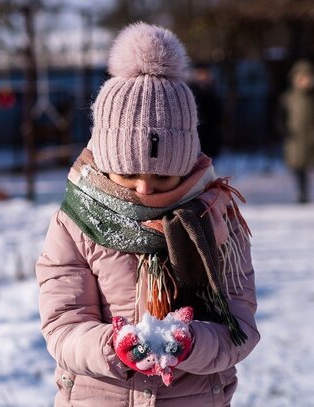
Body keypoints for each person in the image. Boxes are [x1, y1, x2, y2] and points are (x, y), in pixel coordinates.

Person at [36, 22, 260, 406]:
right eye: (128, 173)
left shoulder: (217, 218)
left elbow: (239, 327)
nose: (143, 188)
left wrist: (191, 344)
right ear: (105, 163)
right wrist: (112, 346)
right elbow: (63, 325)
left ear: (186, 162)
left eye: (161, 175)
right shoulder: (75, 223)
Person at [280, 59, 314, 204]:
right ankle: (302, 193)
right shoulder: (288, 98)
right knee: (298, 168)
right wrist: (284, 130)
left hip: (310, 138)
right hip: (295, 140)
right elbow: (280, 117)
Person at [188, 63, 223, 159]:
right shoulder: (191, 90)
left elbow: (217, 111)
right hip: (198, 132)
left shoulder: (212, 89)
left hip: (211, 131)